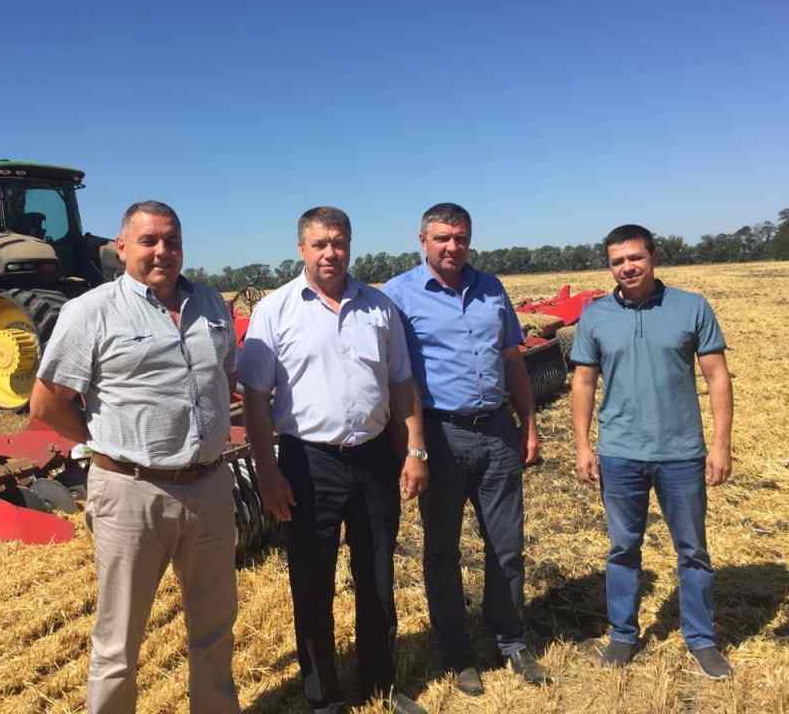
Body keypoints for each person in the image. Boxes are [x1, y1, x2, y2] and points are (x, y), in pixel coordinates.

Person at [30, 200, 241, 714]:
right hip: (131, 494)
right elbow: (46, 403)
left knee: (214, 629)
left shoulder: (211, 304)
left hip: (210, 487)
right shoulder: (91, 311)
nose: (162, 251)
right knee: (118, 642)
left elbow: (225, 378)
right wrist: (108, 445)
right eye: (149, 241)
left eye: (172, 240)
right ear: (121, 248)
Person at [238, 207, 429, 714]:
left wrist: (414, 449)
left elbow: (401, 383)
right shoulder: (275, 311)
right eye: (320, 244)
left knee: (377, 575)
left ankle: (379, 683)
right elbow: (254, 398)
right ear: (301, 248)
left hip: (374, 459)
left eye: (339, 243)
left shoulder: (379, 308)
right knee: (311, 583)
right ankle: (323, 696)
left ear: (350, 246)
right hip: (307, 463)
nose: (330, 253)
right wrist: (267, 472)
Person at [382, 203, 547, 696]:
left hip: (497, 431)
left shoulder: (491, 288)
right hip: (440, 435)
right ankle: (456, 650)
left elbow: (512, 360)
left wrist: (529, 426)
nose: (452, 246)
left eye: (460, 237)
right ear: (422, 241)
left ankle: (511, 638)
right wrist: (411, 449)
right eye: (442, 238)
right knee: (442, 550)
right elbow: (396, 377)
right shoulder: (398, 295)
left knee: (506, 544)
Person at [570, 223, 734, 679]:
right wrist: (582, 445)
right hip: (619, 453)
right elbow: (583, 383)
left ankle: (701, 638)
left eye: (635, 258)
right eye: (618, 261)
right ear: (610, 266)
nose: (627, 267)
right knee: (623, 548)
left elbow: (717, 377)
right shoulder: (595, 315)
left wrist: (721, 444)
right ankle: (623, 634)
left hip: (681, 452)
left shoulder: (691, 307)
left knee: (693, 550)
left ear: (653, 257)